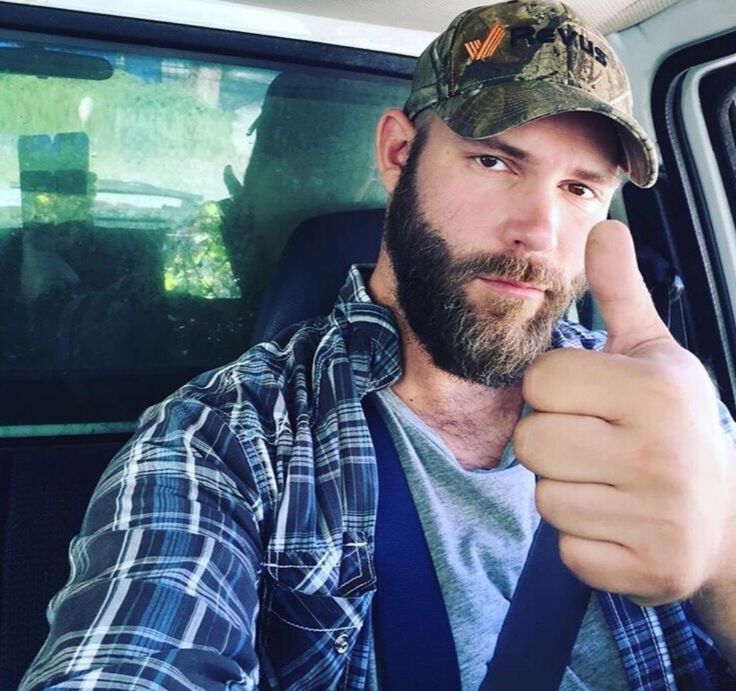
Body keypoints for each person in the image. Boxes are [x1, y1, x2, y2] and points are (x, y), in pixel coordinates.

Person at [21, 2, 736, 689]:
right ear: (398, 153)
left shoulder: (664, 406)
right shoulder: (226, 438)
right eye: (494, 162)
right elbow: (137, 645)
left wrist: (722, 559)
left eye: (580, 188)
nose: (540, 232)